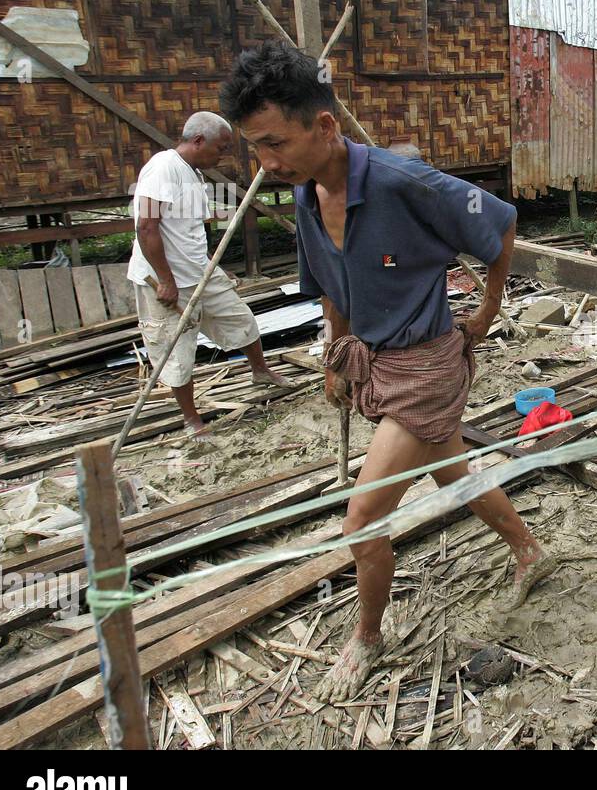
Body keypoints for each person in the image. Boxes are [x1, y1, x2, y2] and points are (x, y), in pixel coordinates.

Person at [220, 41, 557, 702]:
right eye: (255, 147)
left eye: (274, 143)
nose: (266, 162)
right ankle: (529, 548)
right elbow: (331, 285)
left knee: (362, 522)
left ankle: (367, 636)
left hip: (428, 368)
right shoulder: (308, 198)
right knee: (452, 471)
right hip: (376, 363)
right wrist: (335, 356)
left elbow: (502, 222)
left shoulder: (406, 183)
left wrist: (487, 308)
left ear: (324, 126)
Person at [128, 111, 294, 435]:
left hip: (197, 273)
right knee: (175, 350)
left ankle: (260, 371)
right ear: (198, 140)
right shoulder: (163, 169)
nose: (223, 155)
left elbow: (188, 231)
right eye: (220, 148)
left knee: (241, 319)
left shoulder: (194, 174)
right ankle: (192, 419)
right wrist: (165, 280)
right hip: (164, 279)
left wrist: (212, 266)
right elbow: (146, 226)